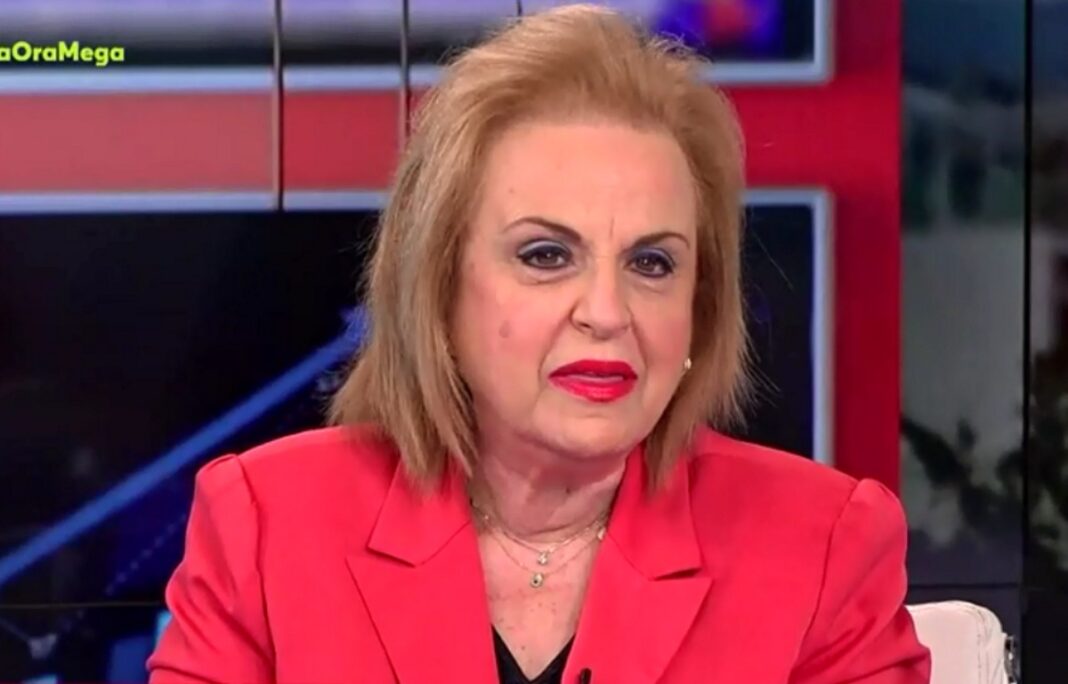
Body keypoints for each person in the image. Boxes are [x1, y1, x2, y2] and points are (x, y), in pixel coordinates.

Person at [148, 5, 931, 683]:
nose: (607, 312)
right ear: (440, 288)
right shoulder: (267, 528)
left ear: (700, 309)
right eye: (546, 255)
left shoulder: (822, 548)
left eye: (651, 264)